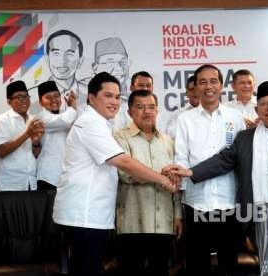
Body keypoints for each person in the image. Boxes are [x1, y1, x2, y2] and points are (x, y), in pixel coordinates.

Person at [165, 81, 268, 276]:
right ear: (257, 109)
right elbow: (224, 159)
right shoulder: (246, 138)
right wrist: (191, 172)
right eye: (264, 104)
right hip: (264, 207)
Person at [52, 72, 178, 276]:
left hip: (92, 215)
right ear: (91, 98)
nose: (114, 102)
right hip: (84, 215)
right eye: (108, 95)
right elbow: (122, 161)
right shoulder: (90, 123)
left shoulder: (101, 123)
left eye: (118, 97)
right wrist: (162, 178)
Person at [173, 64, 244, 276]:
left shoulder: (236, 117)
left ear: (221, 85)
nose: (208, 86)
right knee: (197, 264)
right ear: (195, 88)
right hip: (197, 202)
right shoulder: (185, 119)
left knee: (229, 263)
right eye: (202, 82)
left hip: (229, 201)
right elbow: (181, 158)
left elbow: (238, 159)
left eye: (213, 81)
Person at [114, 89, 182, 276]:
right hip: (132, 221)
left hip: (164, 221)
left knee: (160, 270)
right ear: (129, 112)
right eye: (140, 107)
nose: (147, 112)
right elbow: (125, 173)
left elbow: (175, 182)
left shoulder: (168, 141)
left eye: (151, 107)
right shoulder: (120, 137)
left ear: (157, 111)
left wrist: (177, 214)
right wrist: (160, 176)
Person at [0, 80, 45, 191]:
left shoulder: (33, 119)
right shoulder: (2, 120)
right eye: (19, 97)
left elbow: (35, 154)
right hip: (10, 183)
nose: (24, 100)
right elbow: (1, 152)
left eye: (26, 97)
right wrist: (27, 134)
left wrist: (35, 142)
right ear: (9, 101)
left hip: (31, 181)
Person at [35, 80, 77, 190]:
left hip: (67, 176)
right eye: (48, 97)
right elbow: (64, 121)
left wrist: (71, 109)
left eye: (56, 96)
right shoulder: (41, 117)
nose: (53, 100)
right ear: (41, 102)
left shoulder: (67, 114)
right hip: (48, 176)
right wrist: (72, 107)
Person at [45, 29, 87, 109]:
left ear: (80, 61)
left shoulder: (93, 95)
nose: (63, 61)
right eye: (56, 53)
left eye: (70, 53)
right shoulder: (32, 96)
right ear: (47, 59)